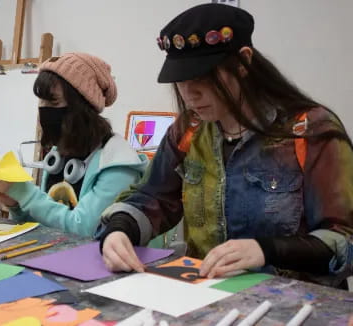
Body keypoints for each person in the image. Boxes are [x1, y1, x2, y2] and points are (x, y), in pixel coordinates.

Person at [98, 4, 353, 288]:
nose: (190, 94)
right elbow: (151, 198)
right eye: (180, 82)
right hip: (207, 296)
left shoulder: (311, 130)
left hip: (293, 303)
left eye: (203, 79)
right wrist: (120, 230)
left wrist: (267, 250)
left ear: (243, 63)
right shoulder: (188, 131)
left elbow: (345, 239)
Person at [0, 53, 148, 237]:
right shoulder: (60, 153)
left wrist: (24, 193)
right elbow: (46, 220)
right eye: (41, 101)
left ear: (81, 107)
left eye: (53, 102)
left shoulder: (118, 163)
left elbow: (85, 230)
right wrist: (15, 205)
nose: (44, 110)